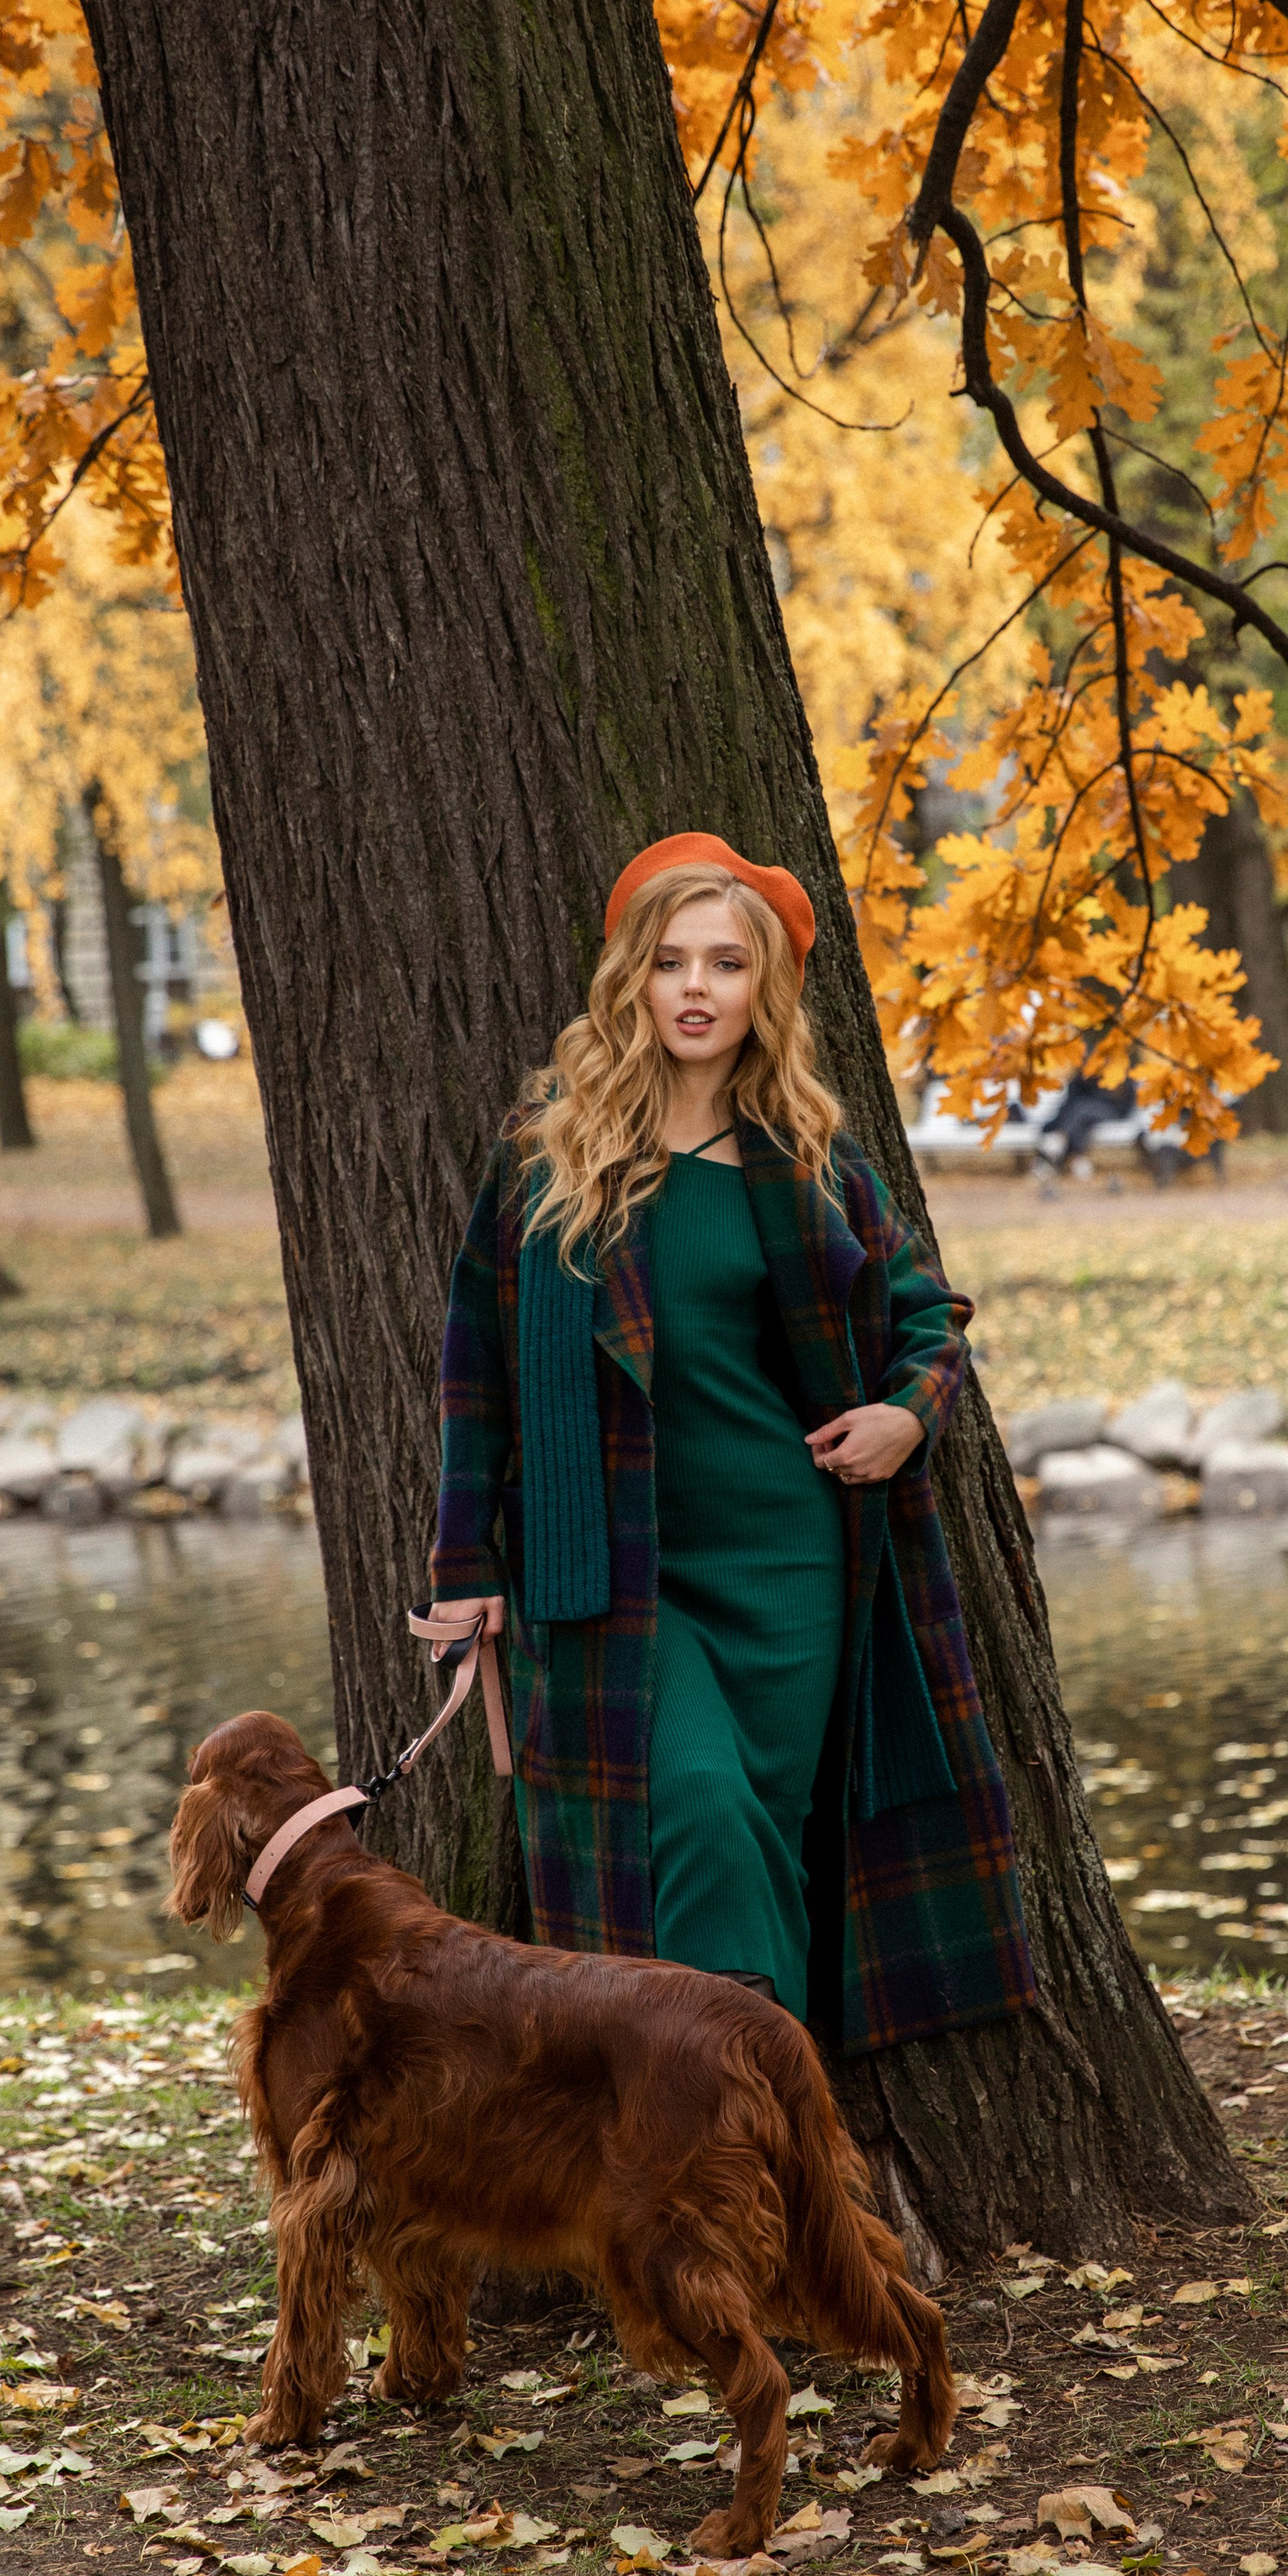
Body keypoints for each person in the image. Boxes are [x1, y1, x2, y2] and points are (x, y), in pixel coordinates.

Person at [425, 832, 1035, 2057]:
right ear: (631, 983)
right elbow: (474, 1374)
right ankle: (731, 2114)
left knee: (770, 1836)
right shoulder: (551, 1157)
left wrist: (906, 1414)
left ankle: (755, 2140)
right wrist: (464, 1569)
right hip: (616, 1575)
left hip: (788, 1559)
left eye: (726, 964)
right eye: (669, 962)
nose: (696, 988)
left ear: (765, 991)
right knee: (697, 1804)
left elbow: (931, 1315)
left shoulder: (808, 1157)